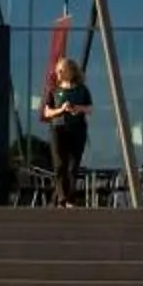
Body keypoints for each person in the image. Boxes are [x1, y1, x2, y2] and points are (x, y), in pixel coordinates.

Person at [40, 57, 93, 206]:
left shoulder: (82, 90)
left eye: (62, 70)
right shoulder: (54, 90)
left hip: (77, 130)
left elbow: (90, 108)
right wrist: (61, 110)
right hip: (59, 129)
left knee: (72, 166)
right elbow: (46, 112)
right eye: (58, 70)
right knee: (60, 165)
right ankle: (64, 199)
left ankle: (61, 198)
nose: (59, 73)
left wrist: (78, 108)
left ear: (71, 71)